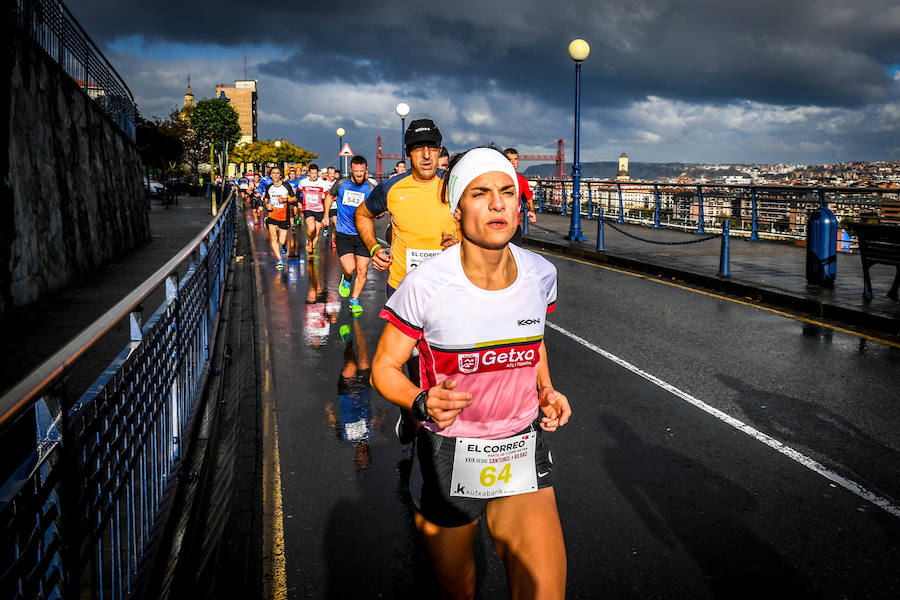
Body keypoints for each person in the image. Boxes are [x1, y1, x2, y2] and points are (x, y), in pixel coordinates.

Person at [371, 147, 570, 599]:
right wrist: (420, 401)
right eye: (481, 193)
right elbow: (383, 368)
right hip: (447, 451)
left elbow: (532, 341)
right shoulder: (427, 284)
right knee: (459, 589)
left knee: (546, 590)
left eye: (507, 192)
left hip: (520, 444)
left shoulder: (541, 274)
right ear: (458, 210)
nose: (498, 203)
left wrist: (546, 389)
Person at [324, 155, 375, 316]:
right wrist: (326, 215)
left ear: (365, 170)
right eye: (356, 171)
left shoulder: (371, 188)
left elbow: (377, 206)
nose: (359, 174)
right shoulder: (341, 184)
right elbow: (329, 196)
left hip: (364, 235)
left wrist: (378, 214)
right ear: (351, 170)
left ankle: (354, 300)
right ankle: (346, 279)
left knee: (362, 270)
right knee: (350, 268)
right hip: (344, 233)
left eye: (362, 171)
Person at [263, 167, 296, 271]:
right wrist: (266, 205)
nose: (276, 175)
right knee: (273, 239)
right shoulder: (269, 187)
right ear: (271, 175)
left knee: (282, 241)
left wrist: (285, 199)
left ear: (280, 175)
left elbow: (294, 198)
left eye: (277, 173)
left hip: (284, 217)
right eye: (273, 173)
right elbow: (266, 199)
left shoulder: (286, 186)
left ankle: (283, 246)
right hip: (272, 216)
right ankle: (280, 259)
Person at [503, 148, 537, 245]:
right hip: (499, 222)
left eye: (516, 159)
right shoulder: (498, 178)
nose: (513, 162)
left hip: (514, 223)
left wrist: (531, 211)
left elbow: (528, 200)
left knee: (515, 253)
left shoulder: (522, 180)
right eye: (510, 159)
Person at [297, 164, 332, 254]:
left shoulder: (322, 183)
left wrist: (325, 196)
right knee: (311, 228)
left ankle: (311, 249)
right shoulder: (303, 182)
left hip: (320, 209)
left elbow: (327, 195)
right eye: (312, 173)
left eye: (315, 173)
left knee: (316, 233)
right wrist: (299, 202)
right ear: (308, 173)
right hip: (308, 208)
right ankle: (309, 240)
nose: (314, 175)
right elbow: (298, 193)